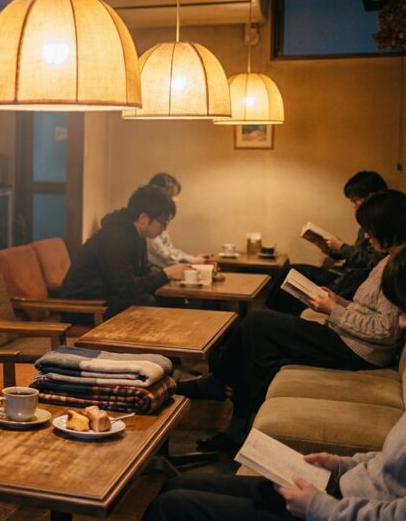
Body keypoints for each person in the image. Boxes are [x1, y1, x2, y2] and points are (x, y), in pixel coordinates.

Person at [142, 244, 406, 521]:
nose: (400, 324)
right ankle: (226, 398)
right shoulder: (387, 261)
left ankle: (223, 393)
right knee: (173, 486)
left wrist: (318, 506)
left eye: (402, 311)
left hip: (335, 509)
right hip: (342, 490)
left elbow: (385, 330)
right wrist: (342, 465)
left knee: (168, 507)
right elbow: (391, 465)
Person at [181, 190, 406, 452]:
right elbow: (371, 312)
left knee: (256, 324)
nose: (366, 236)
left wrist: (333, 310)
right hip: (348, 340)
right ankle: (234, 423)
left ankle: (219, 387)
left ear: (388, 226)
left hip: (358, 351)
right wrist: (339, 302)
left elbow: (384, 330)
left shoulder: (398, 266)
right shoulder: (389, 259)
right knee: (260, 345)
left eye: (370, 229)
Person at [55, 185, 189, 318]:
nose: (164, 229)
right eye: (163, 223)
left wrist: (169, 277)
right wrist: (165, 274)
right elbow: (126, 287)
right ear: (143, 219)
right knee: (146, 303)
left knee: (170, 299)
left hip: (106, 297)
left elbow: (143, 274)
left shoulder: (138, 235)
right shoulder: (115, 237)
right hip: (83, 305)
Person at [267, 171, 388, 315]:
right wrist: (332, 251)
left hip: (351, 281)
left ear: (371, 196)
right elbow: (359, 255)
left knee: (295, 276)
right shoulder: (368, 222)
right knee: (291, 272)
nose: (353, 206)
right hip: (346, 274)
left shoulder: (380, 224)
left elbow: (371, 261)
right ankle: (272, 314)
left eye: (355, 200)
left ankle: (274, 315)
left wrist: (342, 247)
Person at [145, 173, 209, 268]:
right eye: (173, 195)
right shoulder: (151, 221)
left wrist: (192, 259)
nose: (176, 200)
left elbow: (169, 248)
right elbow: (163, 255)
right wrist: (192, 261)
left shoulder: (162, 218)